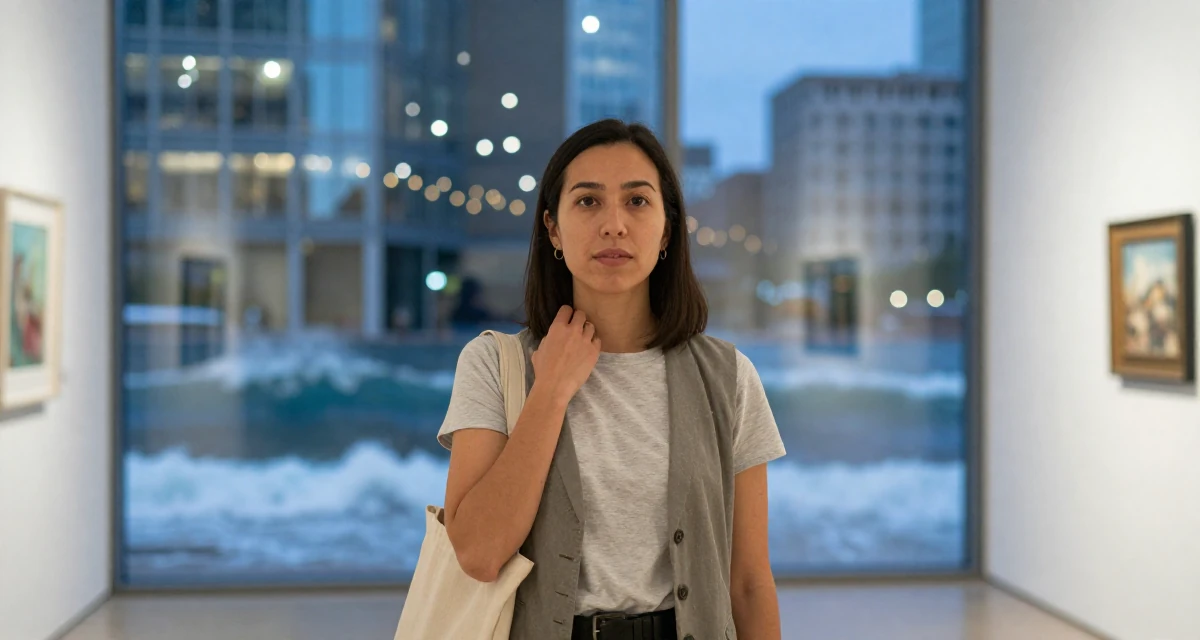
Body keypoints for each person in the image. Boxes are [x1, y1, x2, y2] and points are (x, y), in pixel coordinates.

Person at [437, 120, 785, 640]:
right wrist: (551, 391)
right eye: (588, 202)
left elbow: (750, 582)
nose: (614, 225)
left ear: (666, 229)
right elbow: (480, 554)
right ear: (553, 228)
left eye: (638, 202)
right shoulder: (493, 363)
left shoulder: (729, 376)